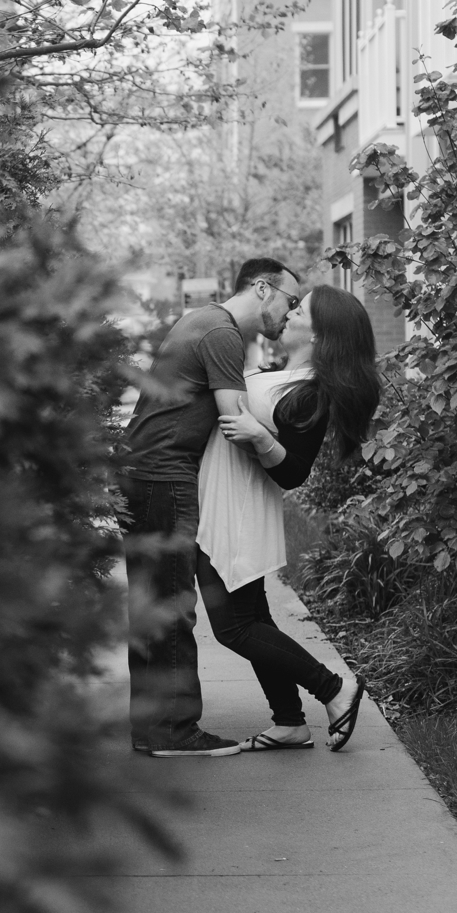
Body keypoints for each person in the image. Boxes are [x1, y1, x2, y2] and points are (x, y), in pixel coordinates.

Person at [122, 258, 301, 757]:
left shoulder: (198, 319)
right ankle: (175, 732)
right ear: (263, 289)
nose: (291, 313)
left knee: (151, 606)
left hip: (141, 475)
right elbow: (235, 420)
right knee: (172, 605)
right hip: (164, 477)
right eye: (290, 300)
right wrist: (282, 449)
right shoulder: (223, 334)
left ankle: (152, 729)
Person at [197, 283, 381, 751]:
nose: (290, 311)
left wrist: (260, 438)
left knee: (235, 628)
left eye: (300, 309)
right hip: (225, 503)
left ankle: (334, 689)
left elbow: (295, 472)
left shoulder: (308, 395)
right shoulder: (285, 376)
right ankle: (289, 721)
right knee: (254, 619)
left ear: (319, 334)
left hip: (237, 513)